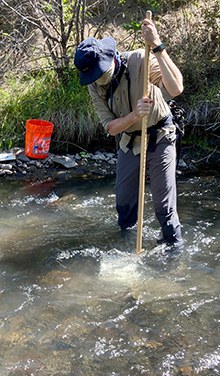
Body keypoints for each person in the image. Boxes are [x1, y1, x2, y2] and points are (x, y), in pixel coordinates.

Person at [74, 17, 183, 245]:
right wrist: (134, 115)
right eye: (93, 76)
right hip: (128, 140)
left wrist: (157, 46)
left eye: (100, 74)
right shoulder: (94, 86)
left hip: (160, 136)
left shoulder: (140, 59)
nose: (98, 81)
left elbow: (176, 88)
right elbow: (111, 128)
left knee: (163, 205)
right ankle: (126, 241)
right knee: (124, 201)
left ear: (111, 58)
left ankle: (172, 251)